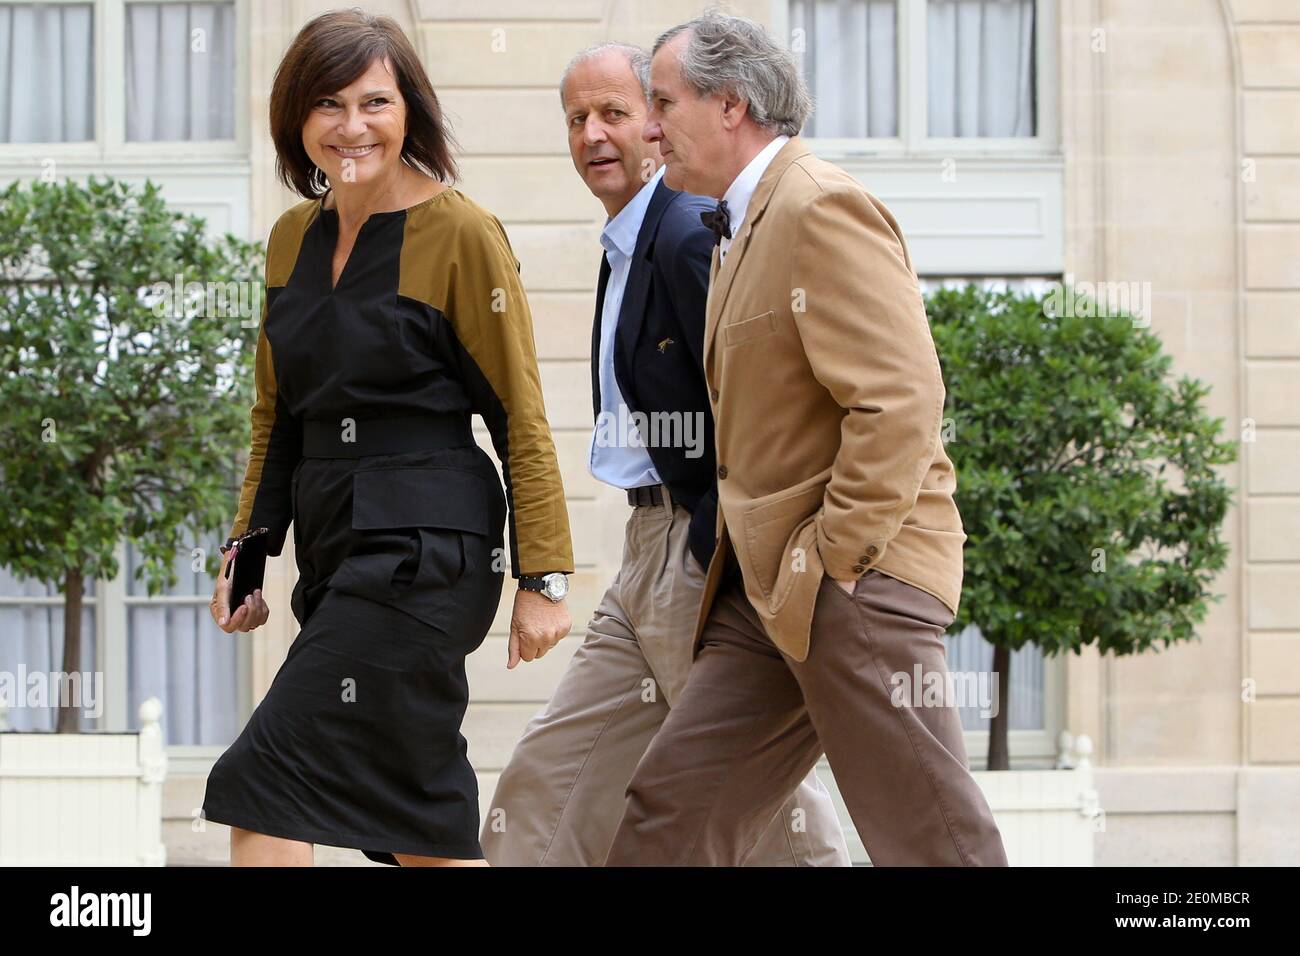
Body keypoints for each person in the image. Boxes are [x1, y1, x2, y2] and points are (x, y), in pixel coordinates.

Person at [604, 11, 1010, 866]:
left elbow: (900, 400)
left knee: (930, 837)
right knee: (667, 817)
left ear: (731, 103)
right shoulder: (736, 223)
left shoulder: (818, 205)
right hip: (769, 591)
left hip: (854, 581)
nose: (647, 128)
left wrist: (835, 558)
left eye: (662, 102)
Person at [201, 9, 573, 867]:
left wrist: (543, 575)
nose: (353, 126)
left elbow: (520, 412)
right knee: (418, 818)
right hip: (337, 549)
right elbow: (278, 417)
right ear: (298, 118)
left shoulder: (462, 233)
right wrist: (251, 554)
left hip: (427, 551)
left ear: (411, 111)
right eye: (329, 104)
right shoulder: (292, 238)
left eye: (376, 101)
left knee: (268, 778)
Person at [479, 44, 849, 866]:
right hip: (644, 551)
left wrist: (730, 557)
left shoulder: (684, 233)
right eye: (576, 118)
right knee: (549, 779)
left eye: (613, 112)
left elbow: (749, 410)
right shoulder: (628, 240)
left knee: (770, 806)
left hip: (700, 551)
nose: (592, 135)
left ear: (657, 121)